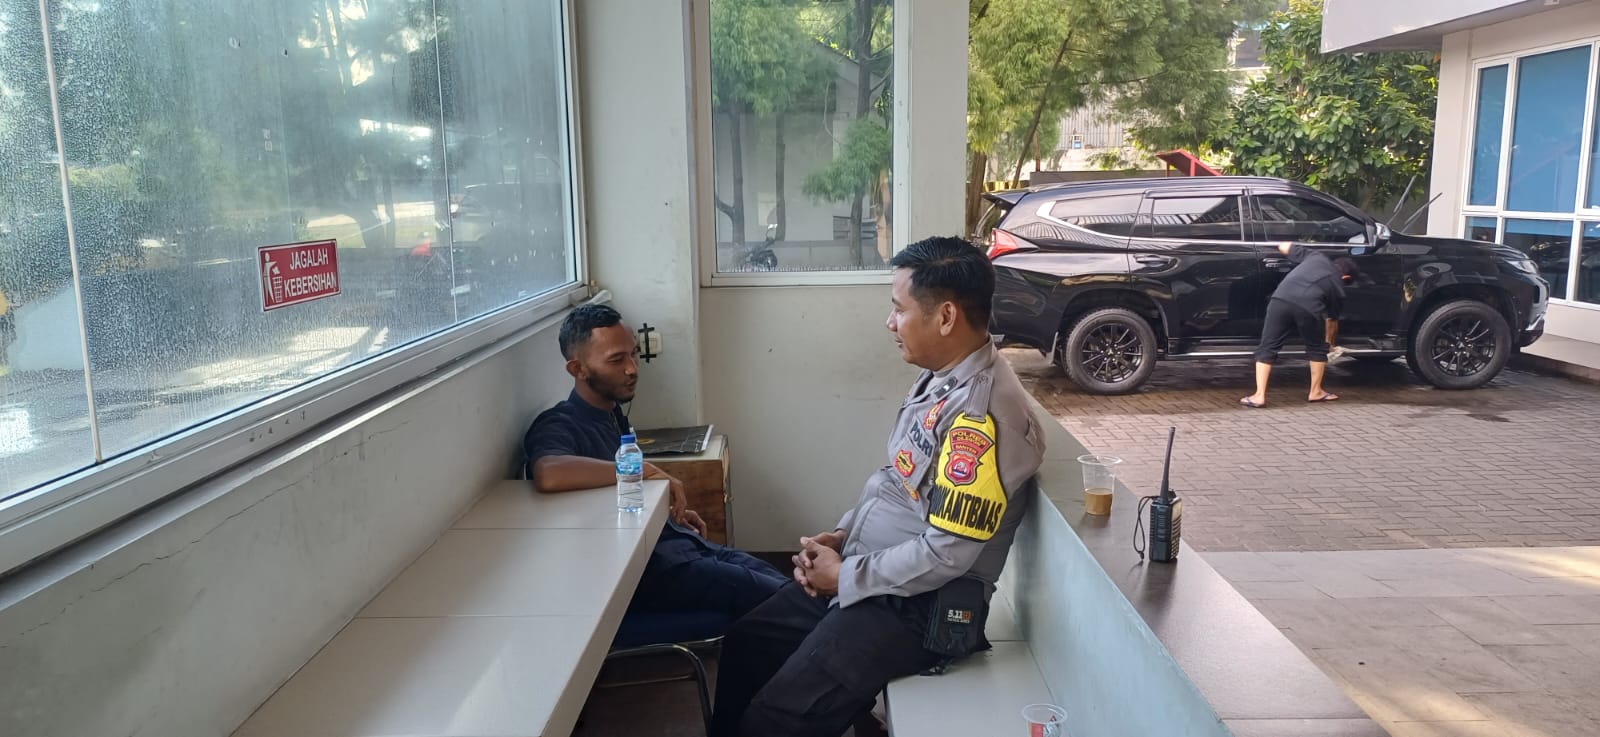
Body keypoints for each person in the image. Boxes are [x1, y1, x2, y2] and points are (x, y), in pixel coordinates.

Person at [708, 236, 1047, 737]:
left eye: (899, 309)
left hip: (923, 606)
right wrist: (842, 537)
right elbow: (897, 479)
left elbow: (948, 555)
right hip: (875, 572)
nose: (890, 322)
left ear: (946, 317)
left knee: (777, 720)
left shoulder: (980, 419)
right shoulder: (943, 378)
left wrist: (844, 576)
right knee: (748, 642)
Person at [523, 304, 787, 623]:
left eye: (633, 355)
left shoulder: (611, 414)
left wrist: (663, 510)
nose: (632, 369)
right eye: (617, 360)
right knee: (786, 602)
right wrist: (645, 470)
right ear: (578, 369)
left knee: (789, 586)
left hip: (670, 546)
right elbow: (549, 473)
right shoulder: (559, 423)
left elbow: (620, 495)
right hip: (647, 574)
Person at [1241, 242, 1358, 407]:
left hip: (1279, 299)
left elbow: (1284, 246)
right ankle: (1316, 391)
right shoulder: (1338, 288)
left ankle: (1258, 396)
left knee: (1267, 346)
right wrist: (1330, 345)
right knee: (1316, 348)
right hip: (1309, 306)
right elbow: (1332, 321)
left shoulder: (1316, 256)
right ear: (1346, 278)